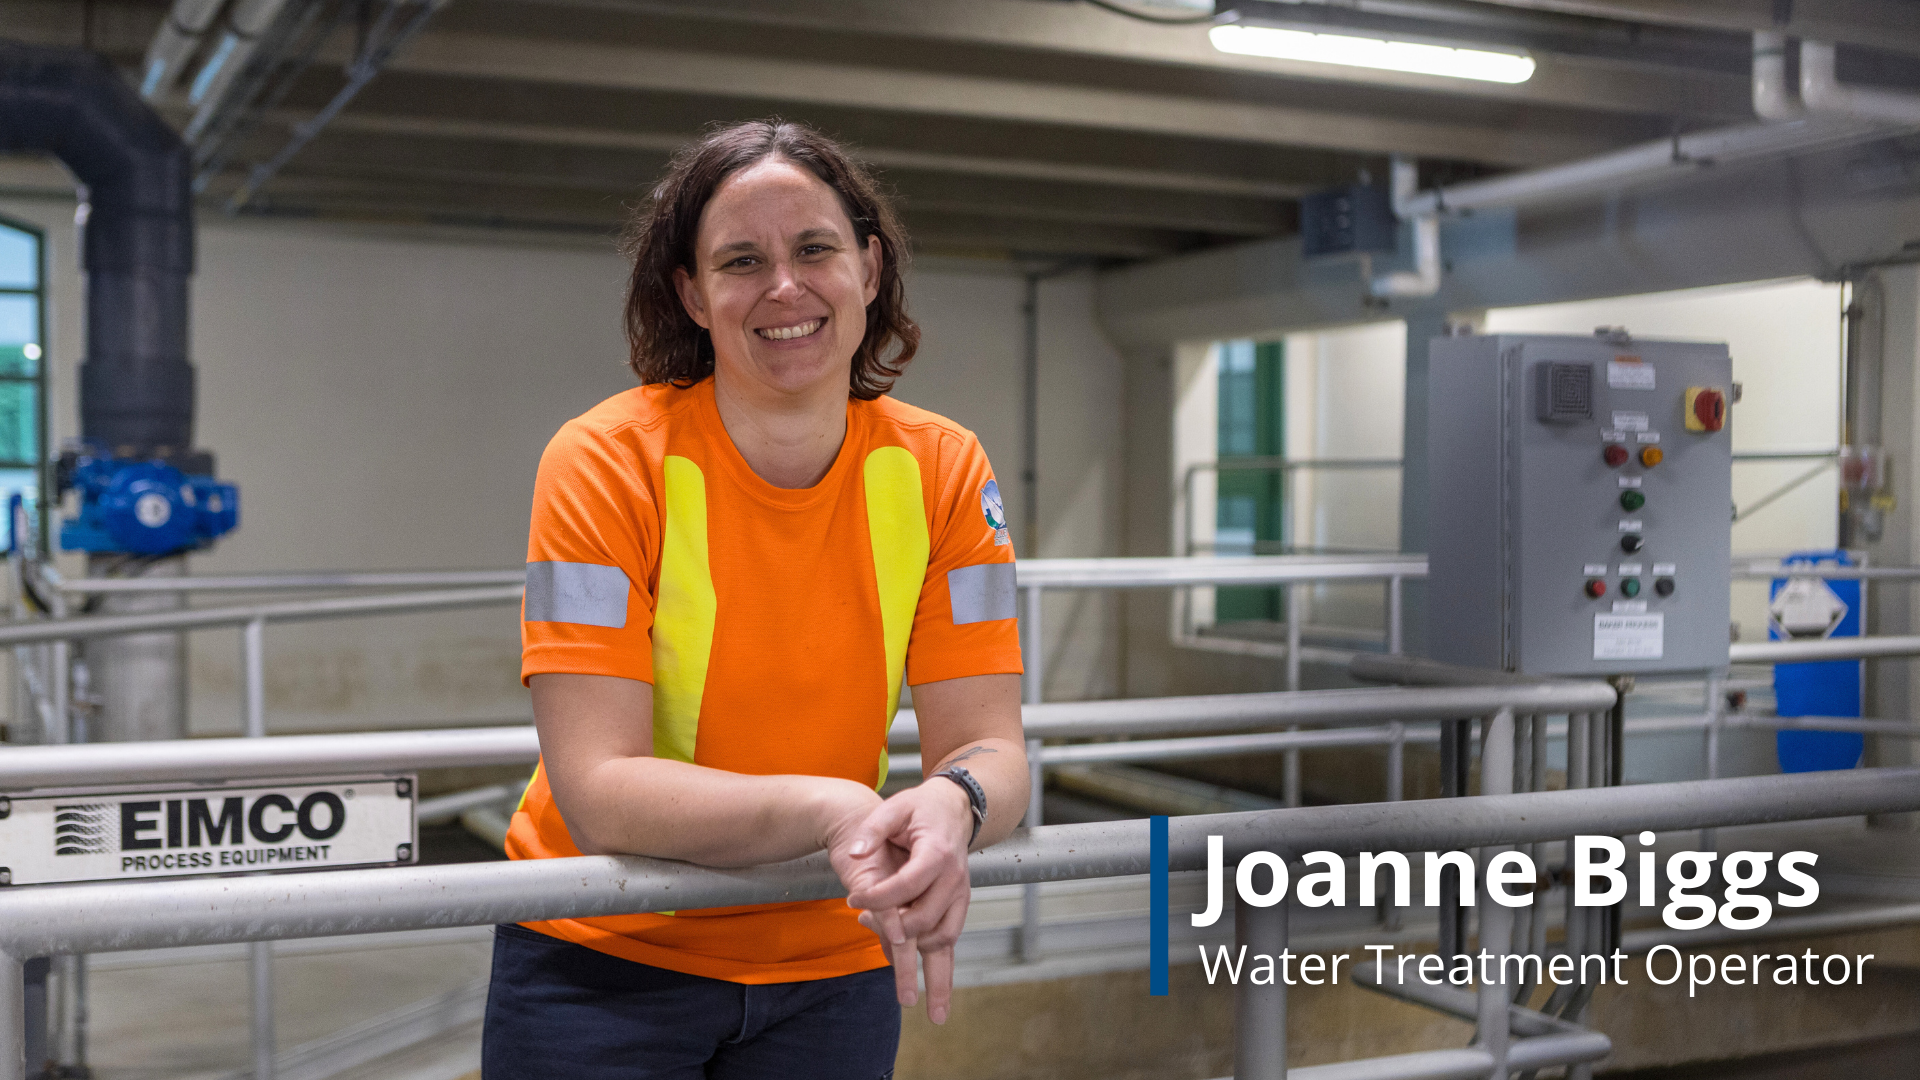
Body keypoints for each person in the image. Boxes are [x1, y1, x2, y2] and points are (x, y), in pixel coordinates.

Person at [481, 119, 1030, 1079]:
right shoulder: (607, 463)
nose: (785, 286)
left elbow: (990, 745)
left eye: (815, 248)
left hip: (833, 964)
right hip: (603, 958)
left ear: (867, 266)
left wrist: (957, 802)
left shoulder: (945, 468)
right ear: (692, 295)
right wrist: (836, 810)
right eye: (742, 260)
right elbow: (598, 789)